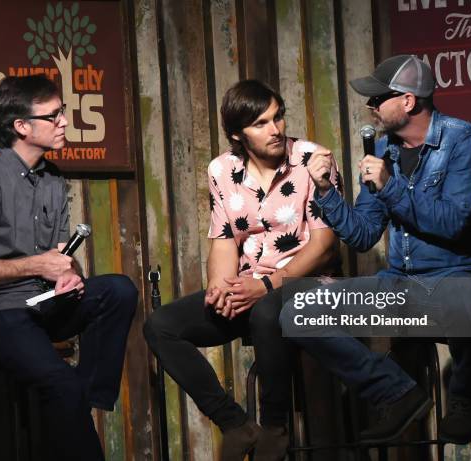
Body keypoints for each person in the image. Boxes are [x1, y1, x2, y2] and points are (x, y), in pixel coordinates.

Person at [284, 54, 471, 444]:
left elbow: (455, 223)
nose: (370, 108)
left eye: (378, 99)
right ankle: (396, 392)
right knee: (301, 311)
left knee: (464, 295)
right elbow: (363, 234)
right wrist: (327, 191)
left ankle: (462, 397)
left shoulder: (461, 139)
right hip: (401, 285)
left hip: (456, 278)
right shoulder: (383, 151)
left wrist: (391, 186)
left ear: (409, 102)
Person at [0, 75, 138, 460]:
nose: (65, 121)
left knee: (118, 290)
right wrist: (38, 265)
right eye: (55, 115)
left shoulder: (52, 180)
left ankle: (84, 397)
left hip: (41, 302)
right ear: (22, 126)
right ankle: (72, 399)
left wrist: (68, 274)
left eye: (63, 112)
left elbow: (58, 254)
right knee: (60, 385)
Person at [143, 79, 340, 460]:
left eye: (278, 117)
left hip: (307, 286)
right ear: (237, 134)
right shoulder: (222, 170)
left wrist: (264, 286)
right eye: (261, 123)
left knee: (267, 312)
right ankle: (235, 423)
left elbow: (324, 247)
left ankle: (274, 428)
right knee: (160, 326)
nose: (276, 129)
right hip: (251, 287)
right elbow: (223, 239)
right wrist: (222, 287)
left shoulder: (310, 159)